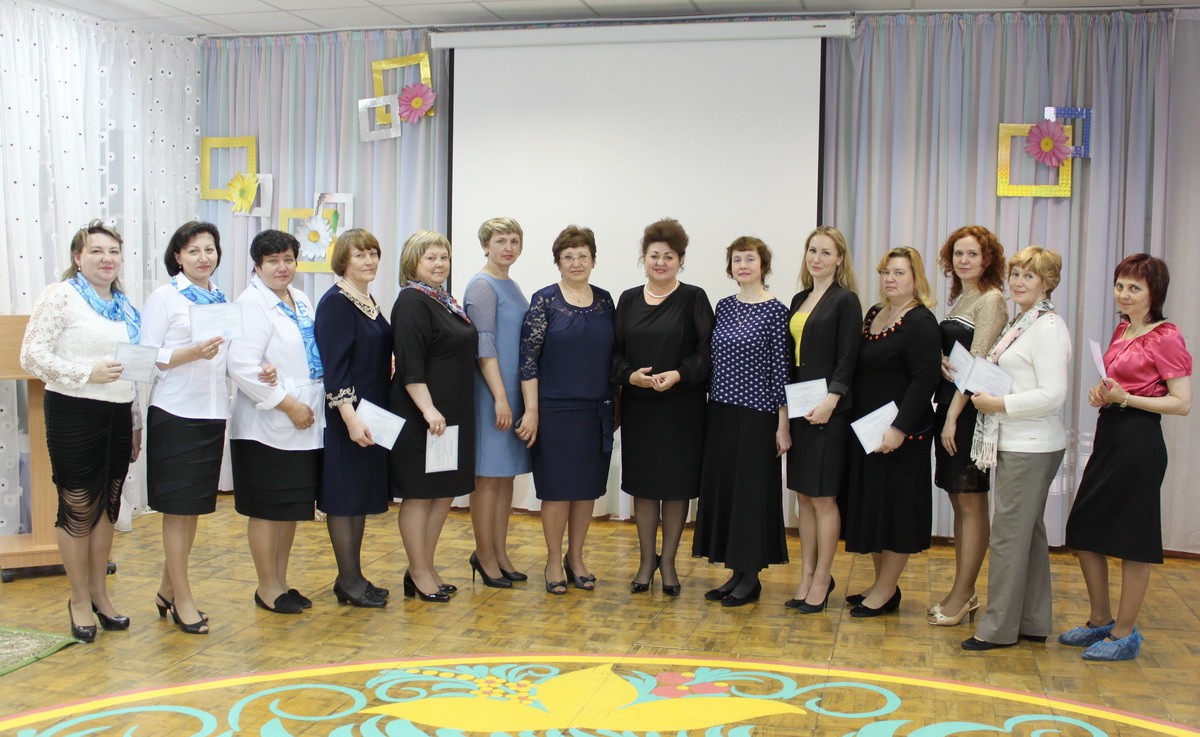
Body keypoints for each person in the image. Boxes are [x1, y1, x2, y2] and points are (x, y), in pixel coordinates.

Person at [1059, 254, 1191, 661]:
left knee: (1134, 539)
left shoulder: (1166, 336)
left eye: (1135, 287)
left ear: (1155, 292)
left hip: (1140, 440)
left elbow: (1182, 402)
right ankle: (1100, 619)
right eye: (1120, 285)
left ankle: (1124, 633)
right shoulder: (1123, 330)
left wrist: (1127, 398)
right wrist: (1102, 394)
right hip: (1110, 434)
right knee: (1083, 527)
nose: (1125, 294)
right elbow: (1116, 386)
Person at [20, 220, 140, 642]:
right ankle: (79, 599)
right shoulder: (61, 295)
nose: (107, 259)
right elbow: (31, 355)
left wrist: (135, 418)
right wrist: (86, 373)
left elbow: (132, 365)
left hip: (118, 412)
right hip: (73, 410)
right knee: (77, 504)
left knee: (108, 504)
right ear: (78, 257)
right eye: (96, 251)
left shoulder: (124, 304)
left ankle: (100, 594)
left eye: (113, 251)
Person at [960, 246, 1071, 650]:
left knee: (1007, 537)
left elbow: (1053, 394)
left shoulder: (1048, 327)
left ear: (1047, 282)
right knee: (1029, 534)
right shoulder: (1024, 321)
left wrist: (999, 404)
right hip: (1020, 441)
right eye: (1016, 274)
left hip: (1031, 445)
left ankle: (997, 629)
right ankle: (1032, 620)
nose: (1019, 282)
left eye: (1029, 276)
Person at [612, 218, 714, 597]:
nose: (661, 262)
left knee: (675, 488)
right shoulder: (628, 299)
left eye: (669, 256)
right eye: (654, 255)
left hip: (682, 409)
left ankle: (668, 562)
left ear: (680, 260)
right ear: (643, 257)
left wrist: (679, 374)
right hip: (640, 408)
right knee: (643, 487)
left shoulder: (694, 298)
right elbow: (614, 354)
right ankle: (645, 562)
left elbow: (707, 354)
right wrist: (631, 377)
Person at [140, 221, 230, 634]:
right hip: (175, 413)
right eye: (193, 251)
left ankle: (166, 589)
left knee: (191, 510)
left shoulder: (221, 298)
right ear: (177, 256)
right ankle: (183, 599)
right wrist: (190, 353)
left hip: (212, 412)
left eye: (209, 249)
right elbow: (146, 355)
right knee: (178, 512)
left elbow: (228, 356)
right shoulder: (165, 297)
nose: (203, 257)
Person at [842, 246, 940, 617]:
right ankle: (882, 585)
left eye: (899, 273)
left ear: (916, 278)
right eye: (886, 272)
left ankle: (885, 590)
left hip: (903, 436)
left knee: (897, 511)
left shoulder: (922, 321)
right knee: (874, 509)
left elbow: (924, 380)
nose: (890, 279)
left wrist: (899, 429)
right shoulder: (873, 313)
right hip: (869, 431)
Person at [692, 236, 791, 607]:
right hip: (720, 412)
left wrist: (783, 424)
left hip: (757, 416)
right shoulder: (724, 306)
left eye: (750, 259)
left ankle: (751, 579)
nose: (744, 265)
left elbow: (781, 371)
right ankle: (735, 573)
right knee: (727, 493)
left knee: (750, 496)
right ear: (730, 267)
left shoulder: (776, 311)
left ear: (763, 265)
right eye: (737, 259)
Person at [227, 229, 322, 615]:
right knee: (267, 509)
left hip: (303, 422)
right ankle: (266, 587)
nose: (282, 267)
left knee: (290, 508)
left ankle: (281, 582)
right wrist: (288, 405)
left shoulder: (301, 299)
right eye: (272, 261)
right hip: (265, 425)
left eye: (288, 260)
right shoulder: (250, 304)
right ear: (257, 266)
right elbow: (242, 367)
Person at [518, 226, 616, 595]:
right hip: (555, 411)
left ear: (593, 260)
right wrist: (532, 410)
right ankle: (553, 561)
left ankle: (576, 558)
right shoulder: (544, 300)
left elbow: (614, 356)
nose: (576, 262)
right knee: (557, 491)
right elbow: (528, 360)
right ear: (558, 262)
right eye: (568, 256)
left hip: (596, 410)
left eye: (582, 256)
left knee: (586, 490)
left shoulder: (605, 301)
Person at [388, 230, 477, 603]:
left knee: (442, 494)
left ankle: (424, 567)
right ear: (413, 262)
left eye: (444, 257)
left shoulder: (443, 300)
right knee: (419, 496)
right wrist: (428, 410)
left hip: (450, 414)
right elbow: (410, 365)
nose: (440, 264)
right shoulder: (412, 301)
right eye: (431, 258)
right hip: (423, 415)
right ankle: (418, 571)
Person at [928, 226, 1008, 626]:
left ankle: (963, 595)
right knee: (958, 501)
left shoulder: (992, 299)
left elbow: (979, 364)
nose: (963, 260)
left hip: (968, 413)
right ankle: (965, 590)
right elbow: (957, 356)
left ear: (987, 259)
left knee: (971, 501)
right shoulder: (963, 297)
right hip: (950, 407)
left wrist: (952, 417)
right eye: (958, 253)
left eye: (972, 254)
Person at [313, 229, 393, 608]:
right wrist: (350, 418)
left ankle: (354, 576)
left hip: (371, 411)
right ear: (343, 260)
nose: (369, 261)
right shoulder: (336, 303)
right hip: (348, 415)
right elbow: (336, 368)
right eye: (360, 255)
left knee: (357, 495)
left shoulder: (366, 299)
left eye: (373, 253)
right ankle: (348, 580)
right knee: (344, 497)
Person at [784, 226, 861, 613]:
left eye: (826, 252)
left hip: (829, 410)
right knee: (803, 496)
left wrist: (832, 399)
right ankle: (807, 574)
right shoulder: (799, 298)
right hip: (801, 407)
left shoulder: (846, 301)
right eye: (812, 250)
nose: (817, 258)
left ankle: (822, 578)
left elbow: (849, 357)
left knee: (823, 497)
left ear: (839, 259)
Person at [464, 218, 531, 588]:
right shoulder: (482, 285)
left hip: (512, 393)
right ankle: (484, 555)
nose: (508, 247)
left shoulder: (511, 284)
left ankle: (500, 554)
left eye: (514, 241)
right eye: (500, 240)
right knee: (487, 477)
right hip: (491, 394)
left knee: (505, 476)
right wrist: (501, 398)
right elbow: (483, 345)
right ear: (485, 246)